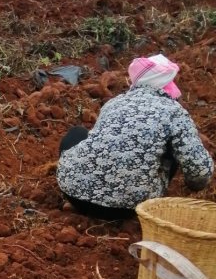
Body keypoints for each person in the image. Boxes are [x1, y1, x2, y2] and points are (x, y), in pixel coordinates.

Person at [56, 53, 213, 219]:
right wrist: (193, 187)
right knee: (171, 148)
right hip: (131, 209)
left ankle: (81, 189)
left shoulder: (114, 103)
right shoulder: (174, 112)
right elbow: (200, 172)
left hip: (74, 194)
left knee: (78, 133)